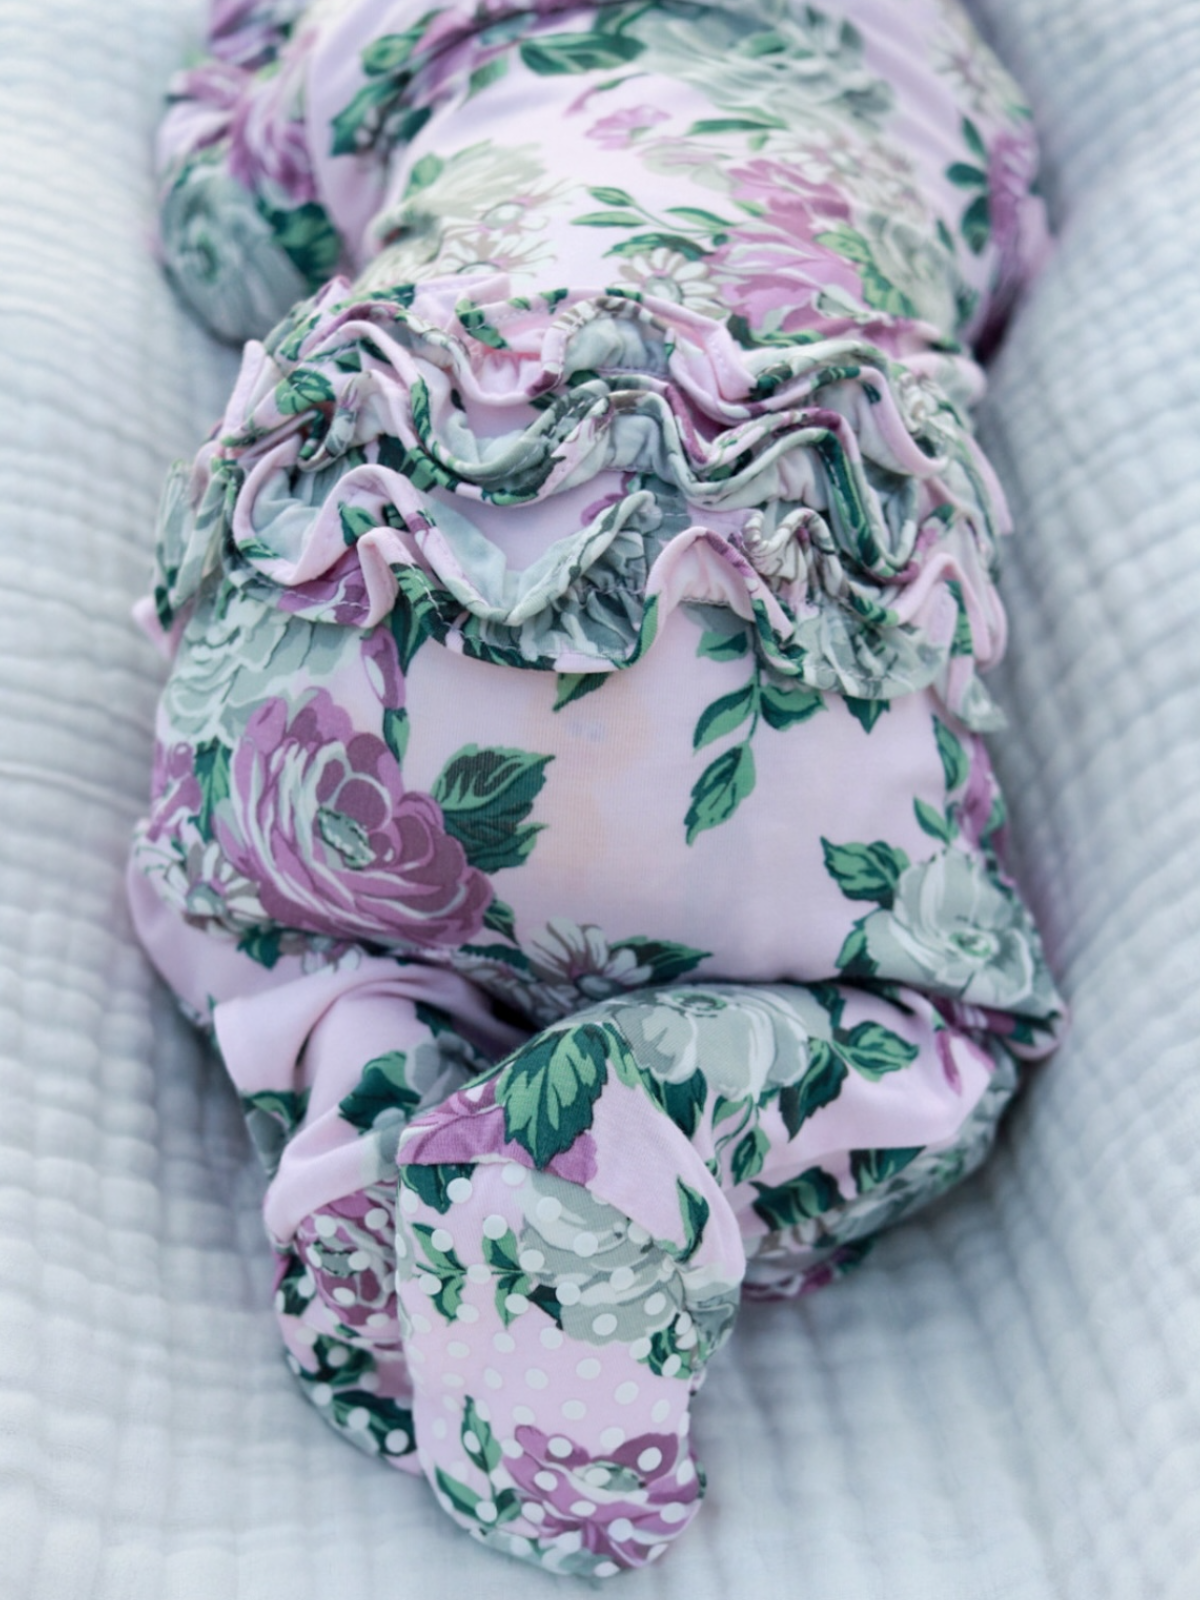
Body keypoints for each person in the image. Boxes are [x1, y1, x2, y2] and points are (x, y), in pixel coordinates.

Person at [130, 0, 1064, 1575]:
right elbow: (992, 274)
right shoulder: (950, 78)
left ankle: (370, 1087)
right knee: (936, 1035)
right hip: (764, 594)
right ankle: (623, 1119)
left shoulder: (407, 20)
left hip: (378, 547)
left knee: (258, 896)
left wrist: (243, 57)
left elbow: (229, 242)